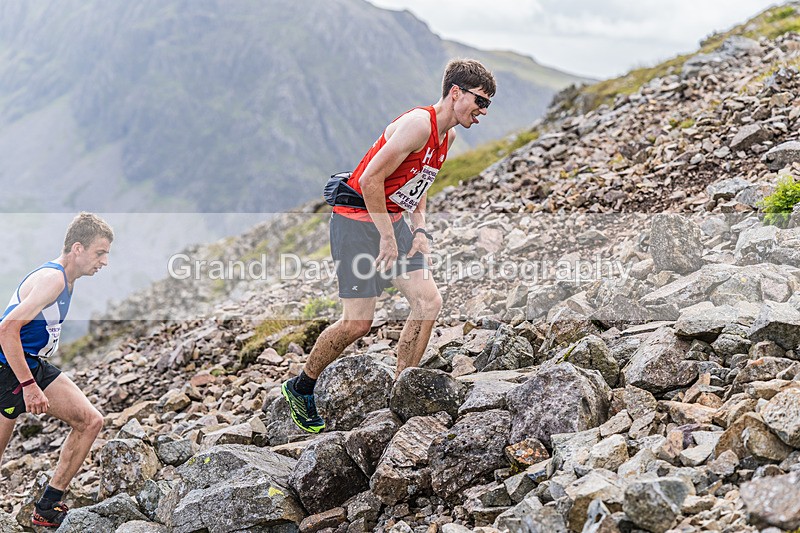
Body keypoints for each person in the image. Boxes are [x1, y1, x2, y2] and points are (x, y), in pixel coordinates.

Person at [282, 59, 496, 433]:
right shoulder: (418, 125)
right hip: (355, 223)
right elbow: (369, 179)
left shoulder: (448, 136)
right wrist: (385, 236)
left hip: (392, 220)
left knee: (429, 301)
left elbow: (420, 184)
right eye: (480, 102)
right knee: (358, 324)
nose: (482, 113)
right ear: (456, 92)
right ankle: (301, 387)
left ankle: (402, 391)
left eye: (488, 105)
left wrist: (420, 230)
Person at [0, 212, 113, 527]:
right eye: (99, 253)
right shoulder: (53, 279)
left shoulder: (67, 278)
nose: (104, 262)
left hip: (31, 362)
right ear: (78, 248)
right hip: (8, 367)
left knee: (90, 421)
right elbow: (6, 329)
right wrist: (28, 385)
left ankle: (47, 506)